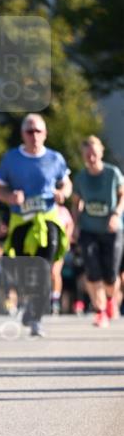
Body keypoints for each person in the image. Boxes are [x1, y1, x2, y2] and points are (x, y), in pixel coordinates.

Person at [0, 114, 72, 337]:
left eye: (38, 131)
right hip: (21, 221)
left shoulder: (55, 158)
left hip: (48, 219)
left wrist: (62, 193)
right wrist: (10, 197)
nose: (34, 135)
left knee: (44, 268)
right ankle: (29, 306)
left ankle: (36, 316)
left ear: (45, 133)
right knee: (25, 270)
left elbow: (66, 182)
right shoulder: (11, 158)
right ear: (23, 134)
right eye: (30, 131)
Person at [72, 135, 124, 328]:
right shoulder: (80, 178)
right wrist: (76, 226)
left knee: (111, 275)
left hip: (112, 230)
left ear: (101, 152)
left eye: (94, 153)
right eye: (87, 155)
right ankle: (100, 311)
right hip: (88, 229)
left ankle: (111, 300)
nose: (91, 158)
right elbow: (76, 205)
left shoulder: (113, 173)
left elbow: (122, 196)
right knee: (92, 272)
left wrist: (116, 214)